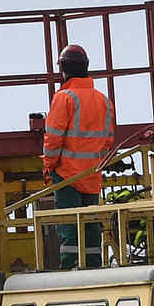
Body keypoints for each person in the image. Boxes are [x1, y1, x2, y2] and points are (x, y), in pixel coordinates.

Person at [42, 44, 113, 271]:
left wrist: (48, 166)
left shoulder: (64, 98)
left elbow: (53, 139)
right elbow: (108, 140)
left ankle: (70, 267)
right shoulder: (103, 100)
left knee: (70, 225)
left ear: (63, 68)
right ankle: (93, 265)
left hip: (66, 175)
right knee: (92, 224)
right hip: (92, 174)